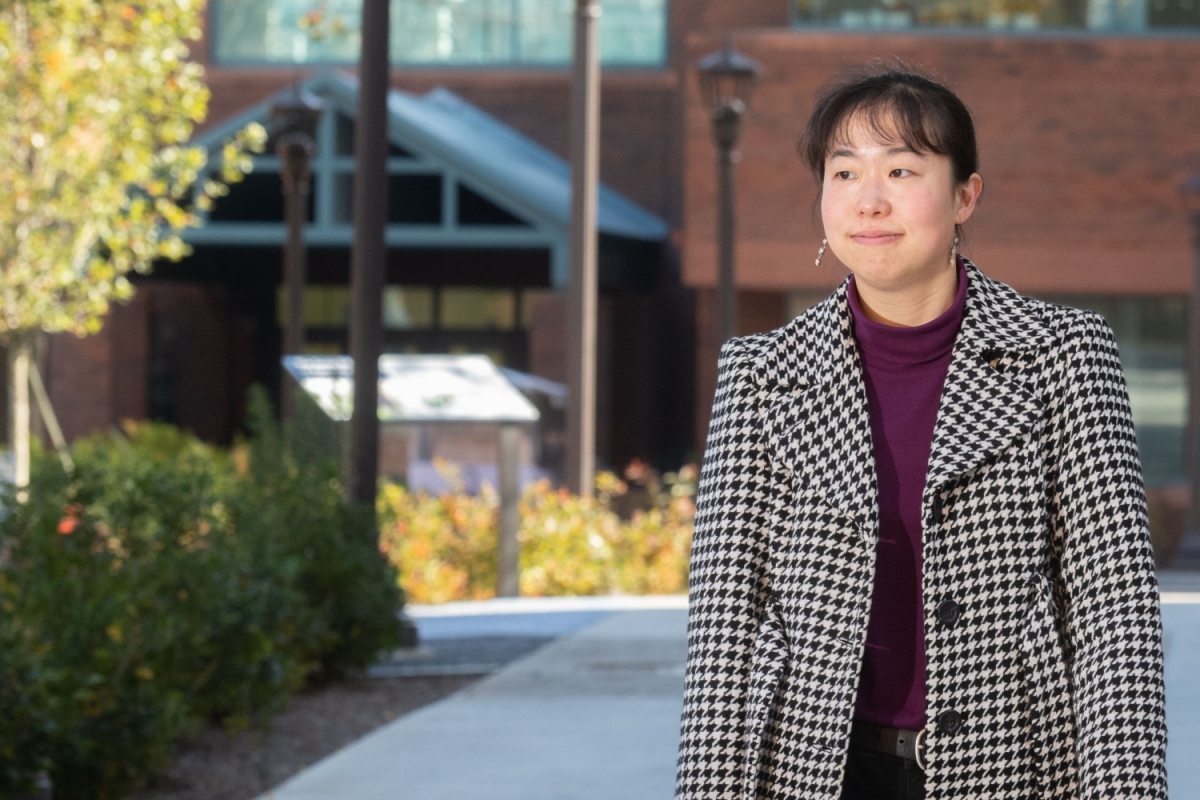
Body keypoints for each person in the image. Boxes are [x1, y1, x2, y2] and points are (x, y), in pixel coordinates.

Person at [673, 67, 1167, 800]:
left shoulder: (1064, 354)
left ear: (965, 193)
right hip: (809, 771)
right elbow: (723, 625)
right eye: (844, 173)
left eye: (902, 169)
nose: (869, 199)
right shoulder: (760, 373)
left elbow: (1114, 611)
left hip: (1017, 764)